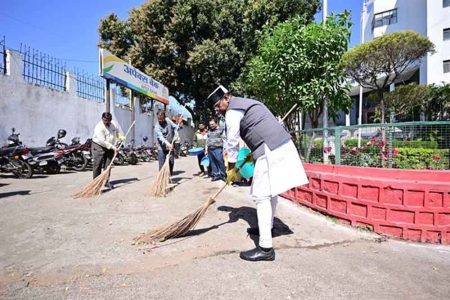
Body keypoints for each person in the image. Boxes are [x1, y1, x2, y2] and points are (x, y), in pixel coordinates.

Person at [207, 85, 308, 262]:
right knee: (271, 192)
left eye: (217, 105)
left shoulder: (232, 111)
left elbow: (232, 142)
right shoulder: (247, 103)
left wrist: (231, 168)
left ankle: (265, 248)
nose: (217, 109)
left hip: (270, 149)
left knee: (261, 195)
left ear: (226, 98)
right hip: (277, 146)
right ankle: (267, 229)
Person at [91, 112, 122, 189]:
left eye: (108, 120)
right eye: (105, 120)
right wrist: (113, 147)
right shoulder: (99, 127)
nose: (106, 122)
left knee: (108, 165)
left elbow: (117, 132)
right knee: (97, 164)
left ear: (111, 120)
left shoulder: (113, 124)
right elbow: (102, 141)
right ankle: (96, 183)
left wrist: (121, 137)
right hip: (99, 145)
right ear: (102, 119)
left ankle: (106, 181)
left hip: (110, 146)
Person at [154, 111, 182, 176]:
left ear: (164, 117)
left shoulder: (168, 121)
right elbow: (161, 137)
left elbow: (175, 127)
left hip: (171, 145)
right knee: (162, 163)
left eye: (162, 119)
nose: (160, 121)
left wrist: (179, 125)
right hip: (162, 147)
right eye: (159, 120)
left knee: (171, 161)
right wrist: (168, 144)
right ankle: (162, 177)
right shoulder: (157, 126)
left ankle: (169, 175)